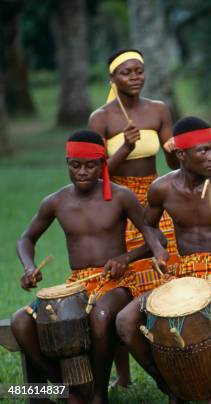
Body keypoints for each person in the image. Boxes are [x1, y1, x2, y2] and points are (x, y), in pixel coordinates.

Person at [115, 116, 211, 404]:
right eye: (204, 151)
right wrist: (158, 249)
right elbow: (148, 225)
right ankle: (174, 387)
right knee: (125, 320)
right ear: (181, 155)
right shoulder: (162, 188)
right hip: (183, 273)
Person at [11, 131, 167, 404]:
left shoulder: (122, 197)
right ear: (67, 162)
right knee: (21, 322)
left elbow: (156, 236)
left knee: (102, 314)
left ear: (103, 164)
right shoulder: (56, 201)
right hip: (79, 283)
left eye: (90, 165)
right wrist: (28, 267)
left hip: (117, 282)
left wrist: (127, 258)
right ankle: (68, 388)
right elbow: (26, 239)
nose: (82, 171)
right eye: (75, 165)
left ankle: (97, 394)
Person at [88, 49, 180, 386]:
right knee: (124, 281)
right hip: (118, 203)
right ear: (112, 78)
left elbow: (172, 165)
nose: (135, 77)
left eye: (139, 71)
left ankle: (179, 357)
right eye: (127, 72)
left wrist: (175, 152)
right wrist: (124, 148)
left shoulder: (158, 110)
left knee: (166, 274)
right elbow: (95, 175)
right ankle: (123, 375)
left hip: (156, 199)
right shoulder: (102, 118)